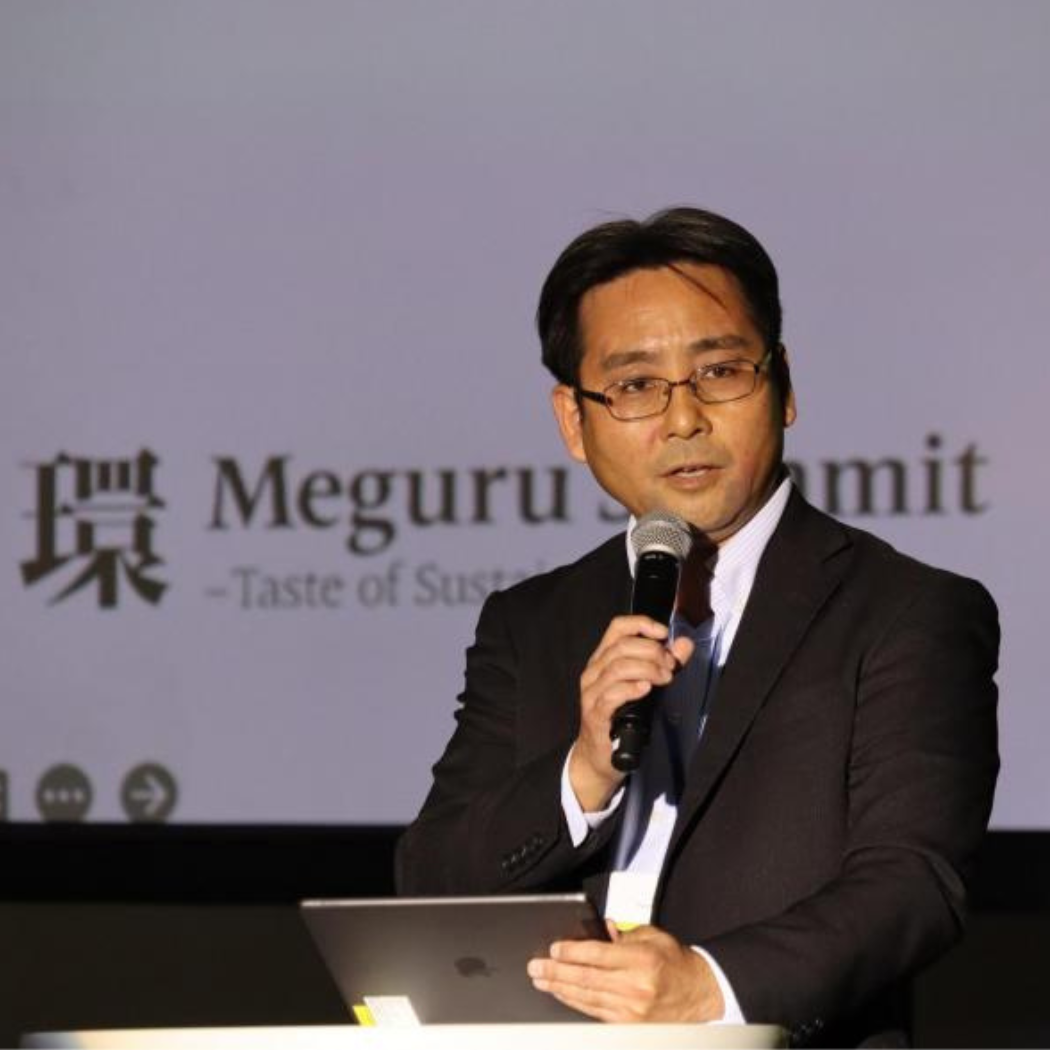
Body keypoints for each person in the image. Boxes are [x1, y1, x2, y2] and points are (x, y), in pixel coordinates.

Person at [395, 207, 999, 1047]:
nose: (684, 420)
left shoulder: (905, 609)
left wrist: (707, 989)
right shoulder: (530, 622)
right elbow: (431, 883)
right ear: (574, 421)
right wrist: (583, 770)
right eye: (636, 386)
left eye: (720, 372)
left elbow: (913, 883)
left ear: (784, 385)